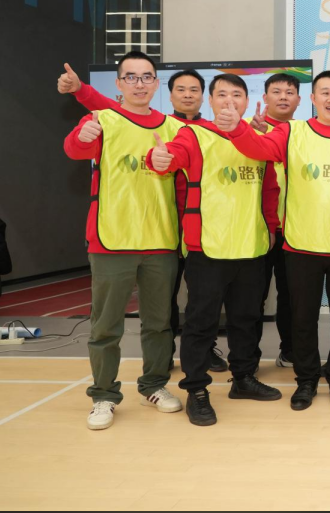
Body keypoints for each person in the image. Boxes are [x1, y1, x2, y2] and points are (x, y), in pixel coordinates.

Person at [218, 71, 330, 412]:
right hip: (301, 244)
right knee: (302, 318)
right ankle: (306, 380)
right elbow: (258, 148)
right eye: (324, 92)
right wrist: (237, 128)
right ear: (313, 100)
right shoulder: (292, 132)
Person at [58, 65, 229, 373]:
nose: (188, 95)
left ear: (204, 96)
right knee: (134, 317)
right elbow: (111, 117)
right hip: (126, 236)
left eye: (194, 90)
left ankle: (185, 362)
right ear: (169, 93)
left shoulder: (190, 130)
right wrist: (81, 92)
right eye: (181, 89)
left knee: (187, 306)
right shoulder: (136, 122)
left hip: (185, 231)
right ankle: (120, 384)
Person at [146, 74, 283, 425]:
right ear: (210, 101)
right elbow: (170, 157)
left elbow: (269, 189)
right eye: (222, 95)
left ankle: (244, 378)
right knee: (200, 323)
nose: (229, 101)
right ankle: (196, 390)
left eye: (237, 95)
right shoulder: (193, 134)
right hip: (208, 247)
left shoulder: (259, 139)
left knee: (246, 320)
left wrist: (270, 227)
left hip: (251, 246)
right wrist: (157, 158)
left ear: (246, 101)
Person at [62, 52, 185, 430]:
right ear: (118, 84)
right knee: (105, 326)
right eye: (131, 77)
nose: (139, 83)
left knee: (159, 324)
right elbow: (74, 149)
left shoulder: (175, 127)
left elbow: (189, 163)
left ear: (156, 83)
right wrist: (81, 136)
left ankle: (154, 385)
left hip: (160, 241)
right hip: (111, 240)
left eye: (146, 77)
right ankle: (103, 395)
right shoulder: (101, 119)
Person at [248, 73, 302, 369]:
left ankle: (290, 351)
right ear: (265, 97)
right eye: (277, 91)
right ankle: (248, 359)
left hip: (293, 229)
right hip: (256, 227)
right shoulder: (248, 129)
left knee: (291, 295)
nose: (283, 97)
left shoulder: (304, 132)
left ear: (299, 100)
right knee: (251, 295)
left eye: (289, 92)